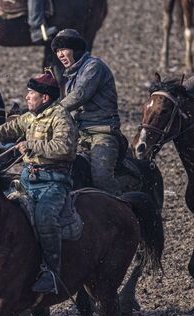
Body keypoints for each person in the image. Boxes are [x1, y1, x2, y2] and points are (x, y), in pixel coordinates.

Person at [0, 72, 78, 294]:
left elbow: (65, 148)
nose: (27, 97)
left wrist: (33, 145)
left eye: (31, 93)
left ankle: (52, 273)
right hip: (28, 178)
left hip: (54, 182)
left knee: (45, 219)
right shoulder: (30, 116)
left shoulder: (60, 117)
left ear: (44, 97)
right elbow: (7, 129)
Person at [52, 29, 126, 196]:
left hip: (103, 132)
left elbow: (79, 95)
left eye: (64, 49)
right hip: (79, 134)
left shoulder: (94, 66)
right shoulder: (70, 75)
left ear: (76, 49)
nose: (60, 54)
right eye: (57, 51)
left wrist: (50, 113)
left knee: (101, 177)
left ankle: (124, 211)